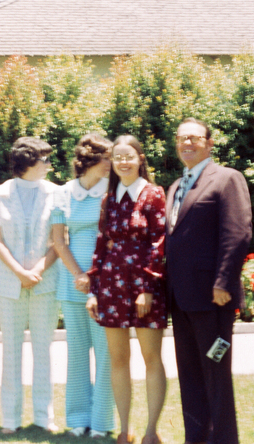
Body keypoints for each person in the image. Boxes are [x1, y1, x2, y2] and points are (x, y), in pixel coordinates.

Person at [165, 118, 251, 444]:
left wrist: (223, 282)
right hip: (181, 297)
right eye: (181, 138)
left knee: (216, 374)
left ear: (209, 143)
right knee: (189, 374)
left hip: (213, 298)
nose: (186, 143)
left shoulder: (227, 179)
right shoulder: (176, 185)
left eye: (194, 138)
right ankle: (197, 438)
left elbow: (237, 233)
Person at [87, 135, 167, 444]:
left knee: (151, 358)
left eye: (128, 156)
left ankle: (151, 431)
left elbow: (159, 243)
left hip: (145, 288)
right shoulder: (109, 198)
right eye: (117, 157)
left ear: (140, 159)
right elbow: (101, 245)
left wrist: (148, 287)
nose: (123, 162)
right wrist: (93, 290)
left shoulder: (153, 194)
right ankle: (124, 430)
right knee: (118, 359)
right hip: (111, 285)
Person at [0, 137, 60, 434]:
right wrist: (19, 272)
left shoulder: (56, 193)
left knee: (43, 351)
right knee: (11, 352)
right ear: (29, 162)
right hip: (9, 283)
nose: (49, 165)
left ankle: (44, 417)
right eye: (45, 159)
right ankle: (10, 419)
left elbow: (59, 240)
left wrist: (38, 269)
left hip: (45, 282)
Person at [52, 134, 116, 438]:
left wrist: (96, 277)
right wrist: (79, 274)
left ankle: (101, 422)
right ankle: (78, 419)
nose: (112, 164)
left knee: (106, 354)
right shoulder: (63, 193)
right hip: (72, 284)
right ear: (91, 160)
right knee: (77, 353)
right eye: (108, 158)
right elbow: (58, 240)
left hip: (106, 283)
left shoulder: (114, 192)